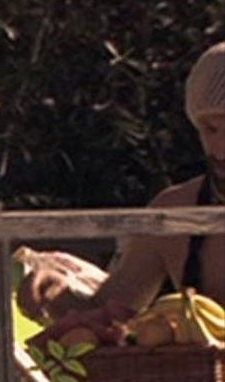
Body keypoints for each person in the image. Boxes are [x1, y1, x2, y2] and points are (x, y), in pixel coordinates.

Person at [18, 41, 225, 322]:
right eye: (210, 129)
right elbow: (109, 314)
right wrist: (56, 293)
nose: (220, 148)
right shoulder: (176, 214)